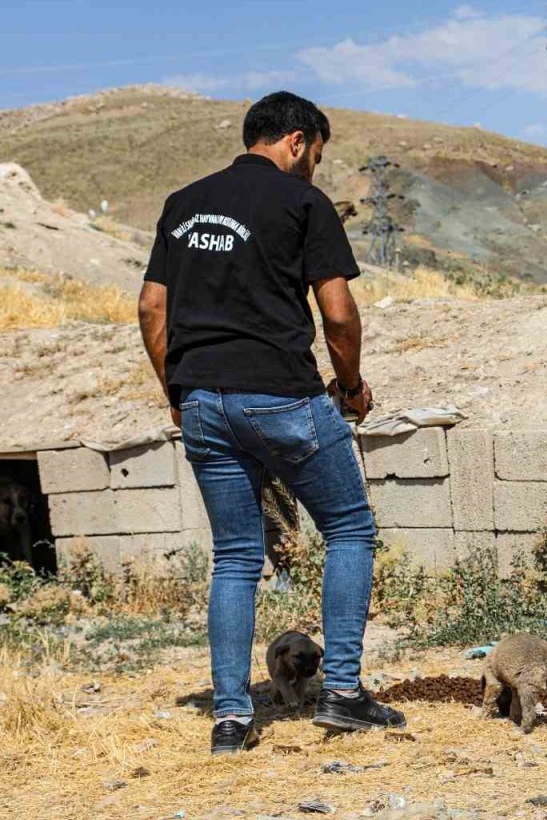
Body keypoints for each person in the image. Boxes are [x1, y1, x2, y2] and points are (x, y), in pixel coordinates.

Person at [138, 91, 405, 754]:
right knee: (348, 527)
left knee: (234, 559)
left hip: (202, 400)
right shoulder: (303, 203)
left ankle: (231, 718)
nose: (315, 165)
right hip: (282, 395)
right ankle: (342, 692)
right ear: (295, 140)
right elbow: (339, 314)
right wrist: (349, 386)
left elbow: (151, 308)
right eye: (316, 152)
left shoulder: (182, 204)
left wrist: (179, 390)